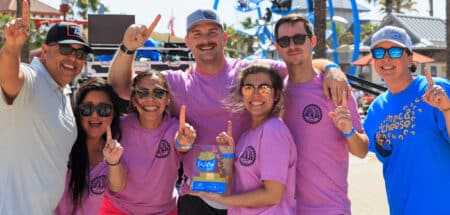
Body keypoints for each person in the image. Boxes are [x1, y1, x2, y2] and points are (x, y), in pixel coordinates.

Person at [108, 9, 349, 215]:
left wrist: (331, 68)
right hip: (197, 195)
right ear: (188, 41)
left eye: (212, 32)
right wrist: (128, 48)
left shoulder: (249, 73)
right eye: (197, 34)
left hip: (245, 195)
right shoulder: (176, 83)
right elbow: (121, 87)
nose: (206, 39)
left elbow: (298, 66)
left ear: (224, 37)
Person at [0, 1, 93, 213]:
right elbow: (9, 78)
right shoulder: (32, 80)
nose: (73, 58)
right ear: (44, 50)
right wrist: (11, 48)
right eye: (66, 49)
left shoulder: (64, 91)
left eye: (80, 54)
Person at [273, 14, 369, 214]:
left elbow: (361, 150)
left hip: (330, 208)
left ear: (313, 41)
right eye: (285, 41)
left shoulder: (335, 88)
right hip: (286, 210)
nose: (292, 45)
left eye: (299, 38)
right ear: (277, 46)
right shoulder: (274, 92)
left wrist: (349, 132)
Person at [362, 25, 450, 214]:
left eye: (394, 51)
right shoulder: (378, 107)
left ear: (410, 57)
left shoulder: (437, 89)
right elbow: (362, 147)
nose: (386, 58)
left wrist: (447, 109)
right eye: (378, 52)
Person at [193, 63, 297, 214]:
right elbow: (235, 187)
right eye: (248, 88)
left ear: (276, 95)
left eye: (264, 88)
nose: (256, 94)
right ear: (242, 94)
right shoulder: (245, 137)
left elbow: (272, 195)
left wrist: (223, 201)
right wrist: (228, 155)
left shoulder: (274, 130)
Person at [98, 71, 197, 214]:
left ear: (167, 98)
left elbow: (181, 144)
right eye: (143, 93)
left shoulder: (176, 128)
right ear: (133, 99)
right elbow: (115, 186)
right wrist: (112, 162)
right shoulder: (117, 127)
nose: (150, 99)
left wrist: (185, 142)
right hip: (116, 208)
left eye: (158, 93)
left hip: (164, 211)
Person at [55, 78, 122, 214]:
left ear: (113, 114)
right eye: (87, 108)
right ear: (77, 112)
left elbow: (117, 187)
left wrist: (113, 162)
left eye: (103, 109)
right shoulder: (61, 144)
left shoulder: (116, 150)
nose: (95, 115)